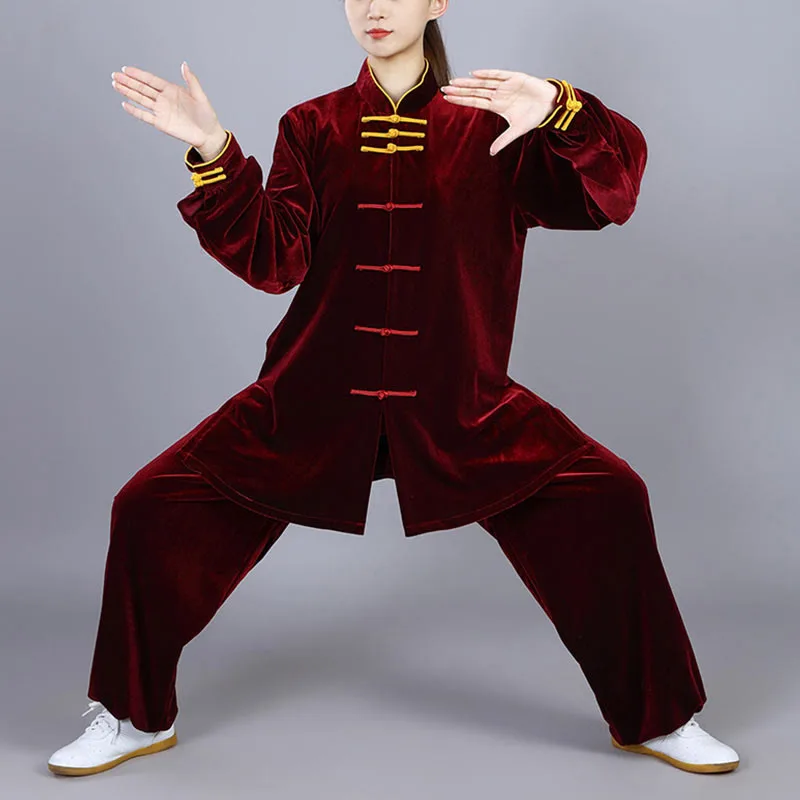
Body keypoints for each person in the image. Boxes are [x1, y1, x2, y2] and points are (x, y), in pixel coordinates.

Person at [47, 0, 740, 778]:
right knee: (146, 509)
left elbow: (610, 197)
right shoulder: (311, 126)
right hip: (313, 397)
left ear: (436, 1)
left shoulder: (491, 127)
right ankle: (132, 716)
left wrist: (559, 109)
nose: (375, 7)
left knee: (611, 499)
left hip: (461, 404)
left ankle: (660, 717)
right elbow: (275, 259)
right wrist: (213, 149)